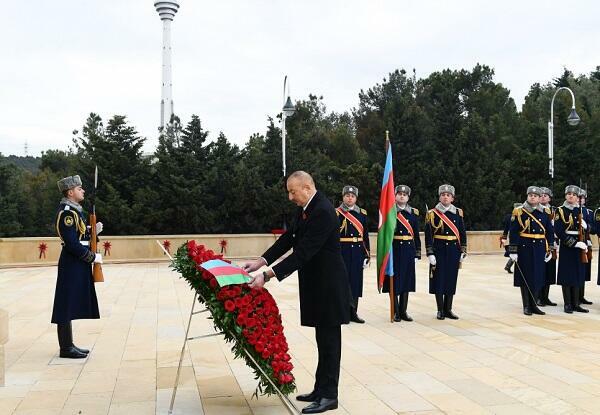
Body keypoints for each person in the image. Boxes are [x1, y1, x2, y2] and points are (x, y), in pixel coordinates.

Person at [244, 171, 349, 414]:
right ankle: (320, 389)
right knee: (322, 340)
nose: (290, 197)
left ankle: (329, 395)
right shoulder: (306, 208)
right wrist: (261, 261)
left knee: (330, 342)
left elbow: (303, 252)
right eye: (289, 192)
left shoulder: (323, 211)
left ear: (307, 186)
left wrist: (268, 276)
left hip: (329, 286)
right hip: (317, 284)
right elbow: (289, 239)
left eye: (293, 191)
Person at [52, 175, 102, 358]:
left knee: (70, 301)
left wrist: (92, 232)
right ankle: (65, 348)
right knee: (65, 303)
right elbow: (71, 242)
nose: (83, 191)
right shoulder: (67, 213)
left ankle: (69, 344)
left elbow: (80, 235)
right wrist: (90, 257)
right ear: (70, 192)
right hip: (72, 261)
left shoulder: (75, 211)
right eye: (80, 189)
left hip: (76, 262)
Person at [508, 186, 553, 316]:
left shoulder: (545, 211)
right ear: (527, 196)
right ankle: (526, 305)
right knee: (525, 277)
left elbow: (549, 230)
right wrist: (513, 250)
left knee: (537, 276)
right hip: (524, 247)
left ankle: (534, 305)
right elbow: (514, 231)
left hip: (539, 247)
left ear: (539, 198)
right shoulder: (519, 211)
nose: (532, 197)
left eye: (535, 195)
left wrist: (550, 248)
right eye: (530, 195)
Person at [425, 184, 467, 320]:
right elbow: (428, 235)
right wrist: (430, 253)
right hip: (439, 249)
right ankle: (440, 309)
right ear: (439, 197)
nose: (445, 197)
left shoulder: (458, 213)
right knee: (439, 279)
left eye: (448, 195)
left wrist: (463, 250)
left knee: (451, 279)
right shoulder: (432, 213)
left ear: (452, 198)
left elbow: (462, 232)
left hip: (453, 250)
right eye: (443, 195)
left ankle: (448, 309)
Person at [382, 185, 420, 322]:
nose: (402, 196)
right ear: (395, 196)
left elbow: (416, 234)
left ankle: (404, 311)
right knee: (394, 280)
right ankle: (395, 311)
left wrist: (417, 253)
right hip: (395, 250)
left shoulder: (413, 213)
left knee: (406, 281)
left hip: (409, 250)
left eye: (405, 194)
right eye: (399, 194)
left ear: (408, 197)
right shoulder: (389, 212)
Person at [336, 185, 370, 324]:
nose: (350, 198)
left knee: (355, 283)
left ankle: (353, 312)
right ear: (343, 197)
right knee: (342, 283)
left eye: (352, 196)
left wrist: (366, 255)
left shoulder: (362, 214)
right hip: (342, 251)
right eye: (347, 196)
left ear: (356, 198)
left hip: (357, 252)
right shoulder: (336, 213)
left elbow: (365, 236)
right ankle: (342, 313)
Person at [555, 185, 589, 314]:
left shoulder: (580, 210)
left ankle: (576, 303)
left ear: (577, 198)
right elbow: (559, 231)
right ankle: (568, 304)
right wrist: (574, 243)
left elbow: (586, 228)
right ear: (565, 196)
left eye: (574, 195)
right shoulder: (560, 211)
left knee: (577, 274)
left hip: (580, 245)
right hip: (568, 246)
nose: (571, 196)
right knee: (567, 275)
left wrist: (586, 228)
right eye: (569, 194)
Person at [537, 187, 558, 306]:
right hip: (540, 242)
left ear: (550, 198)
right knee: (541, 271)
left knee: (550, 271)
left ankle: (546, 296)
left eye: (546, 195)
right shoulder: (536, 210)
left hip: (552, 243)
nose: (543, 197)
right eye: (542, 195)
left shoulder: (555, 210)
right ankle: (539, 297)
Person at [579, 188, 593, 305]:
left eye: (582, 198)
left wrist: (587, 227)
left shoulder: (589, 212)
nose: (580, 200)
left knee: (584, 271)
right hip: (576, 242)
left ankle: (581, 295)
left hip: (586, 242)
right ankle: (574, 297)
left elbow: (593, 227)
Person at [501, 204, 521, 274]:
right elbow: (506, 228)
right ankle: (508, 266)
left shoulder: (520, 216)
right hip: (513, 237)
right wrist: (504, 237)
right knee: (514, 252)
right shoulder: (510, 217)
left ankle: (508, 266)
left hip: (517, 237)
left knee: (516, 253)